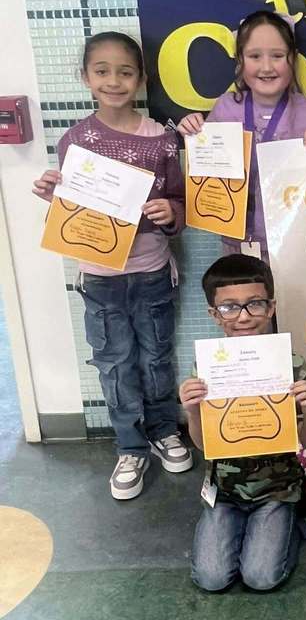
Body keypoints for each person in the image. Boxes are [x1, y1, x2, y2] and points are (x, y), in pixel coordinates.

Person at [32, 32, 191, 500]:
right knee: (115, 363)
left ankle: (164, 430)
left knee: (157, 356)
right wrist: (52, 197)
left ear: (141, 78)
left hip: (151, 270)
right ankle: (130, 446)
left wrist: (171, 213)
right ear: (85, 77)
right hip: (99, 277)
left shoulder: (161, 139)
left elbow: (181, 202)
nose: (114, 81)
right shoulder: (76, 140)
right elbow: (71, 216)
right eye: (102, 70)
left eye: (125, 71)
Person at [180, 254, 306, 592]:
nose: (243, 317)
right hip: (225, 492)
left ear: (270, 308)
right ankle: (258, 529)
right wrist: (191, 411)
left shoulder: (291, 364)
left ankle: (294, 521)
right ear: (215, 315)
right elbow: (202, 446)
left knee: (261, 578)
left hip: (278, 490)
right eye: (229, 308)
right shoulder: (206, 369)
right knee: (211, 579)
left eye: (254, 304)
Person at [177, 10, 306, 260]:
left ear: (292, 59)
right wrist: (193, 130)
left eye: (277, 56)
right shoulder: (225, 107)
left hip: (296, 244)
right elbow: (206, 174)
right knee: (246, 299)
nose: (266, 67)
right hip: (237, 243)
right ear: (240, 61)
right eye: (254, 56)